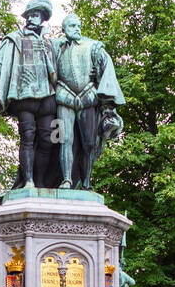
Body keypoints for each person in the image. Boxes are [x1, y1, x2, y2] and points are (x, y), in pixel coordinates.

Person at [0, 0, 60, 189]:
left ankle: (41, 180)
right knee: (27, 136)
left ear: (43, 18)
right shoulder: (14, 39)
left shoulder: (52, 44)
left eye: (36, 15)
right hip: (24, 96)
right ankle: (28, 180)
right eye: (29, 15)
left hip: (48, 98)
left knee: (49, 140)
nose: (31, 18)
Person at [53, 14, 124, 189]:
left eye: (78, 26)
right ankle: (67, 179)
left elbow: (106, 69)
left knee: (89, 143)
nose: (77, 29)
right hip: (64, 98)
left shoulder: (93, 46)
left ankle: (86, 182)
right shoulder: (55, 47)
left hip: (88, 98)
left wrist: (100, 81)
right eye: (72, 26)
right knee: (63, 139)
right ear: (64, 29)